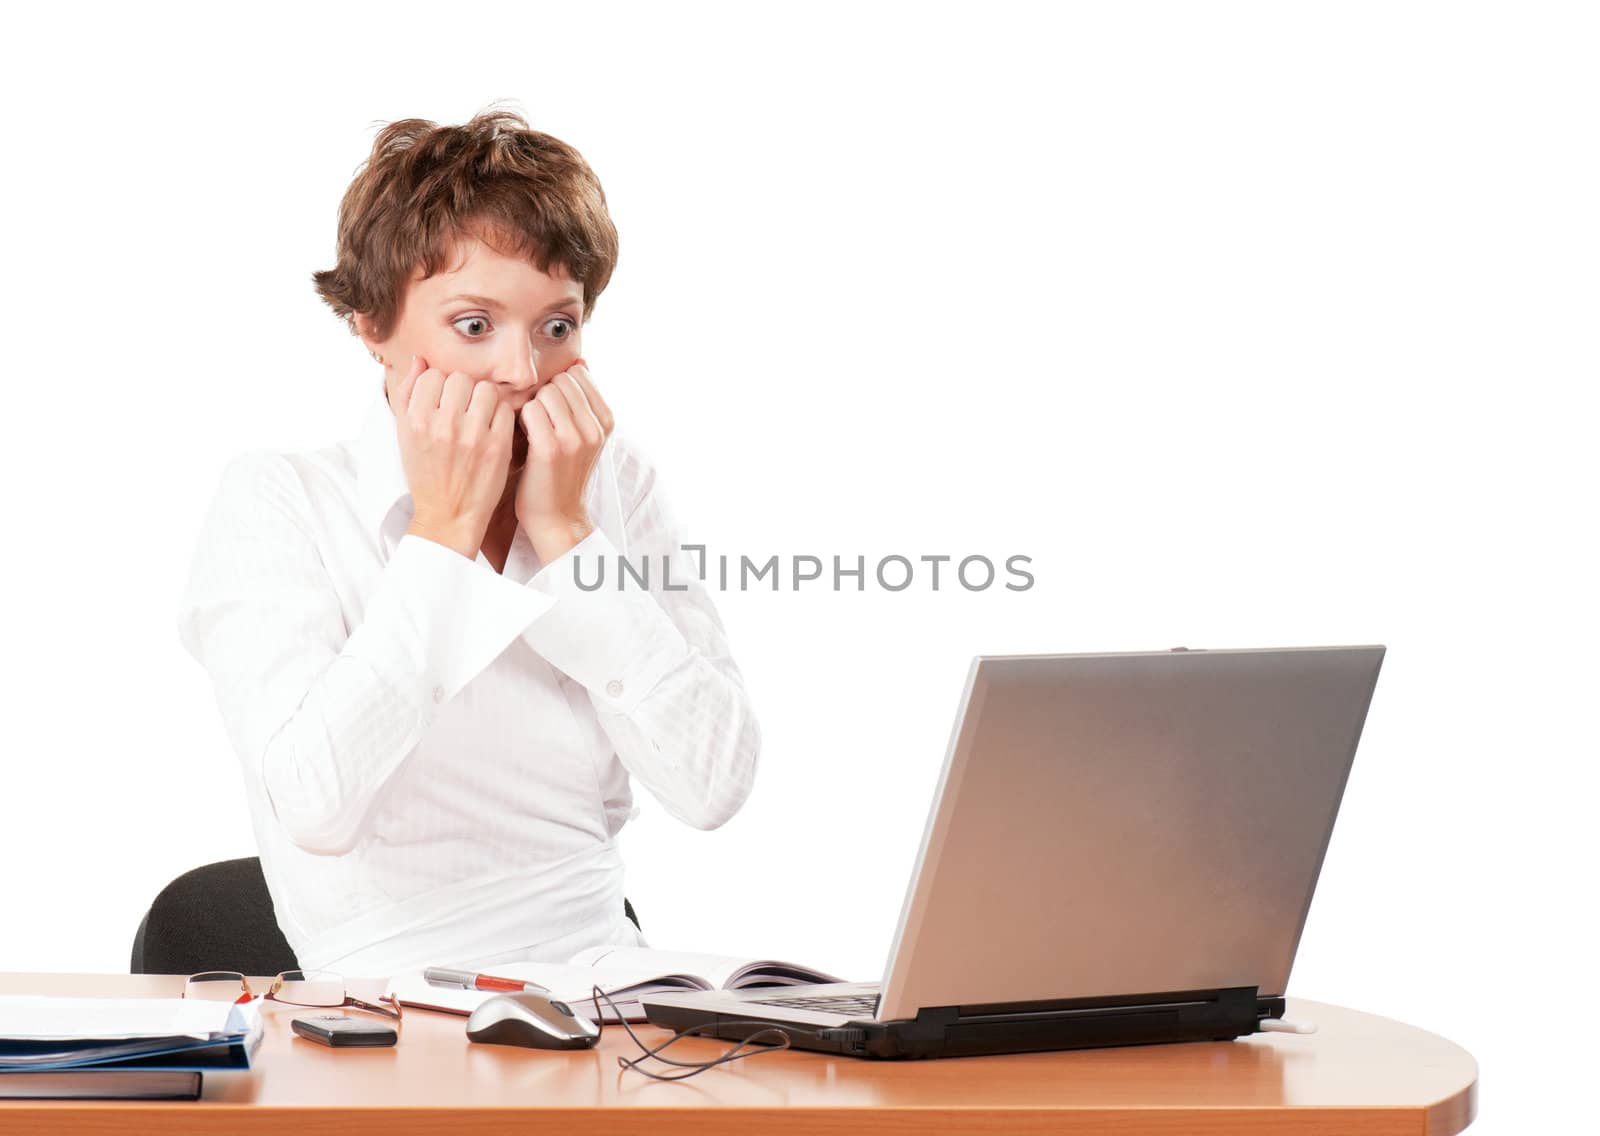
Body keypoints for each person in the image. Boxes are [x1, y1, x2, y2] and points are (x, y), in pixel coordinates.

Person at [176, 109, 761, 978]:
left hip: (614, 989)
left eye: (557, 327)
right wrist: (444, 535)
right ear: (373, 327)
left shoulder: (610, 481)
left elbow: (712, 785)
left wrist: (567, 533)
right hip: (385, 1008)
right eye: (475, 325)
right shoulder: (281, 500)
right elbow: (315, 807)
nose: (523, 373)